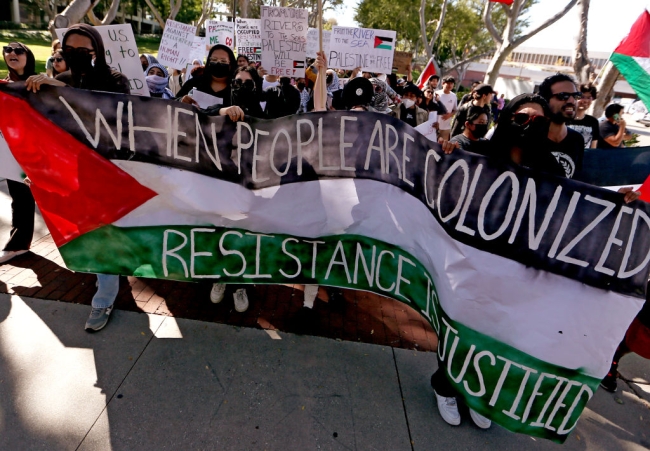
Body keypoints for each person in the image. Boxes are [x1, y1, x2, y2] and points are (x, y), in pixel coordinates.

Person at [25, 24, 131, 333]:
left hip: (107, 167)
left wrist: (61, 92)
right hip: (71, 167)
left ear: (97, 51)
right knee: (90, 229)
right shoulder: (61, 80)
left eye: (83, 51)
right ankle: (106, 283)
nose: (75, 57)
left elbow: (111, 113)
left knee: (107, 228)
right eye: (69, 52)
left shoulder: (115, 80)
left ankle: (106, 293)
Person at [0, 42, 37, 264]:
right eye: (7, 50)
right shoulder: (3, 85)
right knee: (20, 198)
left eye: (18, 50)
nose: (12, 53)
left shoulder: (39, 83)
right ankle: (18, 244)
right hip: (10, 151)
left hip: (37, 153)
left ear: (28, 56)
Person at [537, 73, 586, 179]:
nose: (572, 101)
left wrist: (616, 195)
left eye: (576, 96)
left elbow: (578, 185)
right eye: (563, 96)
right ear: (545, 101)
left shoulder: (577, 140)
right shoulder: (528, 136)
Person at [177, 45, 236, 109]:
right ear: (208, 62)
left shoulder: (236, 88)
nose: (218, 63)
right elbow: (171, 102)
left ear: (231, 65)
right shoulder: (194, 82)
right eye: (214, 60)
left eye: (223, 61)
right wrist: (181, 100)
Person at [567, 83, 600, 148]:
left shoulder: (593, 121)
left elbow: (593, 147)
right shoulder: (565, 118)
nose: (585, 101)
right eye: (582, 97)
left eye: (589, 98)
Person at [436, 76, 457, 141]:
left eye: (452, 83)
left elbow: (455, 110)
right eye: (448, 83)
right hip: (435, 125)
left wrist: (449, 115)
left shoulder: (453, 96)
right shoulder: (436, 93)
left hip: (446, 127)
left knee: (443, 146)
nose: (450, 85)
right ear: (443, 83)